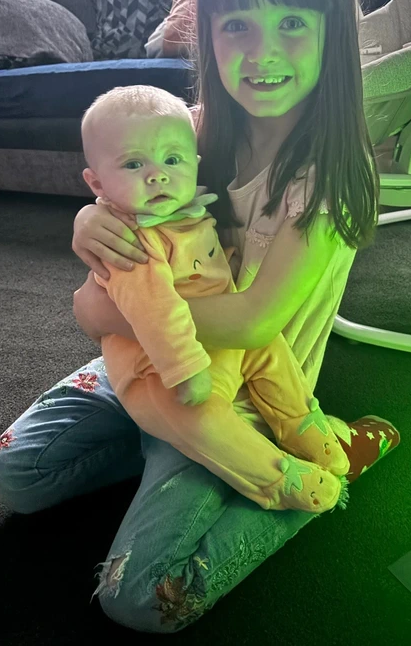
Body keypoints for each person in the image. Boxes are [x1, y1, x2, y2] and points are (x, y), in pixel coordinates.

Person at [0, 0, 400, 634]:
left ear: (333, 32)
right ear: (207, 33)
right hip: (148, 371)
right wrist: (87, 223)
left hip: (248, 394)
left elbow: (252, 321)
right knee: (14, 474)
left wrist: (122, 309)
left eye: (291, 24)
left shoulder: (329, 175)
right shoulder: (188, 130)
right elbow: (95, 272)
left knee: (140, 599)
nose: (262, 54)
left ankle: (330, 471)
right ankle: (160, 451)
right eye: (237, 25)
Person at [79, 83, 351, 515]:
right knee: (199, 421)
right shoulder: (134, 238)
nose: (157, 175)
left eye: (172, 161)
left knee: (271, 352)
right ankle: (278, 479)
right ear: (98, 183)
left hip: (231, 338)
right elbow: (150, 311)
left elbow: (250, 322)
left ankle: (303, 423)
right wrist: (89, 215)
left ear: (194, 161)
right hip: (165, 370)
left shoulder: (187, 203)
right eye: (134, 164)